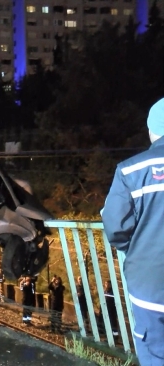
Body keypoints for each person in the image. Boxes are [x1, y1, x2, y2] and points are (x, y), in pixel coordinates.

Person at [102, 97, 164, 365]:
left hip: (150, 286)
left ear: (152, 130)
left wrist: (137, 248)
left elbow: (115, 229)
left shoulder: (130, 171)